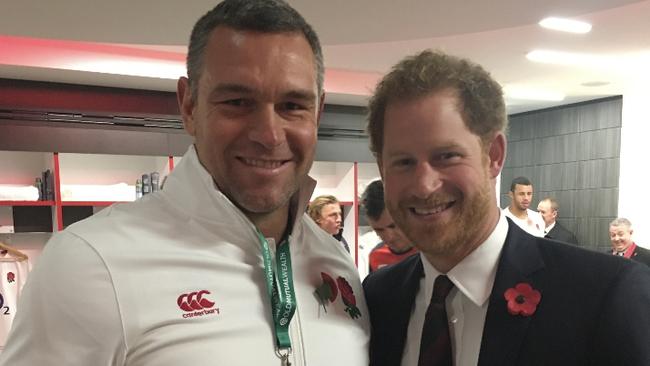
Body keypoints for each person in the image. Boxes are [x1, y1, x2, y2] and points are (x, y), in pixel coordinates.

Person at [0, 1, 369, 365]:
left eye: (292, 106)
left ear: (318, 113)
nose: (269, 135)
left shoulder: (336, 262)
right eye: (238, 101)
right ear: (189, 106)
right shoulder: (90, 263)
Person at [363, 50, 650, 366]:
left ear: (494, 155)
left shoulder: (603, 293)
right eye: (403, 162)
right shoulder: (380, 297)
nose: (424, 184)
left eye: (446, 156)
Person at [361, 180, 418, 272]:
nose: (389, 237)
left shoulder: (432, 253)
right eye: (379, 230)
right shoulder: (376, 256)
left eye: (393, 226)